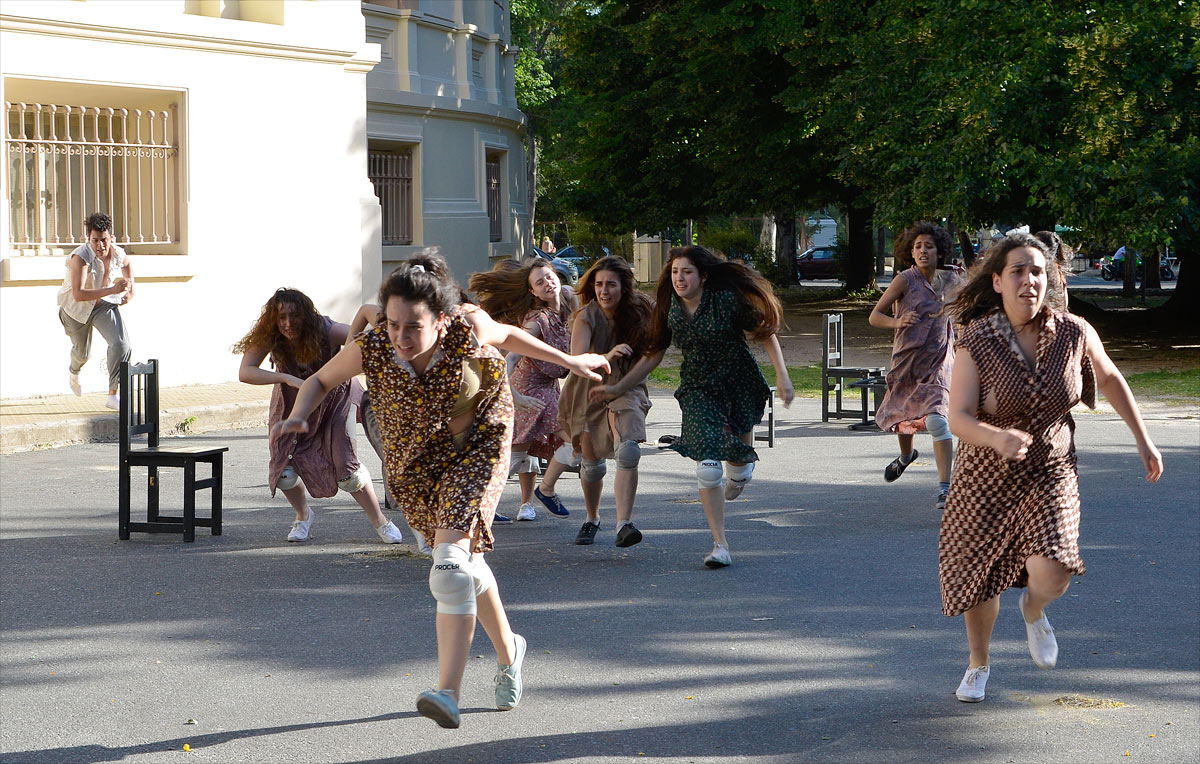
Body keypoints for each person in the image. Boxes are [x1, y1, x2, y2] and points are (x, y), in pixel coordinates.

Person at [274, 252, 609, 728]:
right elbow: (319, 379)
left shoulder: (467, 327)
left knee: (449, 567)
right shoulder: (374, 347)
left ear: (441, 318)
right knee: (466, 563)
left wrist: (572, 360)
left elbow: (511, 336)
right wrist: (299, 414)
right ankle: (510, 649)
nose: (400, 337)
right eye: (392, 324)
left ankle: (447, 691)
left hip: (480, 444)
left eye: (413, 326)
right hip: (417, 460)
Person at [940, 234, 1163, 703]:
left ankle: (1033, 608)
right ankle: (978, 663)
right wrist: (995, 437)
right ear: (998, 281)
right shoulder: (976, 339)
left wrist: (1143, 440)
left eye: (1037, 271)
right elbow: (958, 416)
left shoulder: (1074, 332)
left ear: (1051, 279)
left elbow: (1109, 377)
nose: (1029, 280)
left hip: (1051, 471)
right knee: (979, 575)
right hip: (985, 476)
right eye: (1018, 271)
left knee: (1055, 570)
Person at [594, 246, 794, 568]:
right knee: (707, 467)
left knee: (739, 471)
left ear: (703, 276)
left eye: (686, 272)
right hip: (699, 389)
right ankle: (720, 545)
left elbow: (765, 333)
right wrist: (619, 386)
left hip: (738, 382)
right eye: (674, 272)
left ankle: (740, 473)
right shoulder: (669, 307)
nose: (679, 278)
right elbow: (655, 352)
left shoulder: (726, 299)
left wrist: (782, 378)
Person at [233, 288, 402, 545]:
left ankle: (381, 522)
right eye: (282, 317)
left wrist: (371, 313)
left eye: (295, 315)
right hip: (291, 401)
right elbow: (246, 372)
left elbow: (364, 341)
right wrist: (286, 378)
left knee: (347, 470)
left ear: (307, 315)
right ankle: (303, 516)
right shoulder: (272, 334)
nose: (288, 323)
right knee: (284, 472)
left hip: (334, 399)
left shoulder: (326, 330)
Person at [469, 259, 579, 522]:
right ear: (533, 292)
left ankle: (527, 496)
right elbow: (510, 361)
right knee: (571, 444)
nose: (547, 283)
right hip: (528, 390)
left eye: (549, 277)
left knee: (522, 452)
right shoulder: (537, 321)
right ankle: (540, 490)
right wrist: (516, 398)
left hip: (550, 388)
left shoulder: (568, 298)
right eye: (539, 282)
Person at [555, 256, 654, 547]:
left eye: (611, 284)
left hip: (627, 386)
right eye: (599, 284)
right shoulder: (586, 316)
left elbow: (653, 350)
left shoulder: (640, 310)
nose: (604, 291)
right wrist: (607, 356)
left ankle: (624, 524)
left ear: (624, 286)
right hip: (589, 388)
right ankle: (592, 518)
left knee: (628, 452)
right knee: (593, 464)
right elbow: (577, 361)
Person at [869, 222, 965, 510]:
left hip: (939, 361)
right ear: (910, 252)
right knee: (903, 417)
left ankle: (945, 488)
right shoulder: (904, 280)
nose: (923, 250)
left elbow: (970, 307)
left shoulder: (952, 279)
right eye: (918, 246)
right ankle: (906, 457)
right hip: (907, 362)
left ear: (940, 251)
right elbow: (875, 316)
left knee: (937, 419)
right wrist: (897, 322)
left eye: (929, 246)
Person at [57, 212, 133, 410]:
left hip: (102, 306)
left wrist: (131, 289)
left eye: (104, 240)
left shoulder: (117, 252)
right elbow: (79, 294)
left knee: (121, 344)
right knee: (82, 353)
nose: (100, 245)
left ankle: (113, 395)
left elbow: (127, 265)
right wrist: (113, 290)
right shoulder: (80, 258)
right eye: (95, 240)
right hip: (76, 311)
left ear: (111, 238)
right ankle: (74, 372)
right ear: (88, 239)